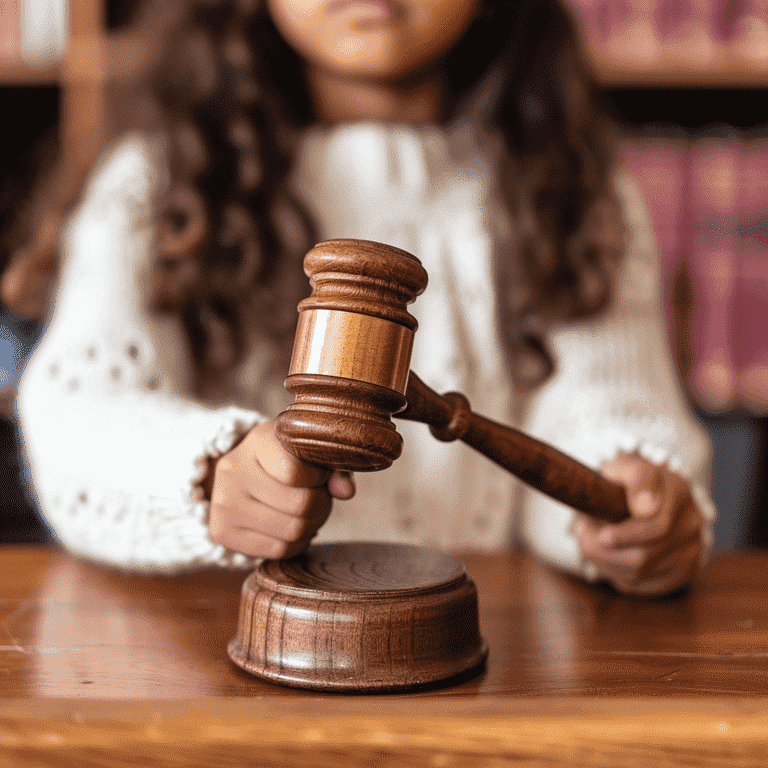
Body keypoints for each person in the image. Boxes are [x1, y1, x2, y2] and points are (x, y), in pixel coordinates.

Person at [13, 0, 715, 595]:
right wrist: (207, 475)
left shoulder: (576, 196)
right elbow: (79, 413)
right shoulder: (156, 188)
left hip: (487, 662)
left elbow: (604, 402)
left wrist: (629, 501)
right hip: (218, 664)